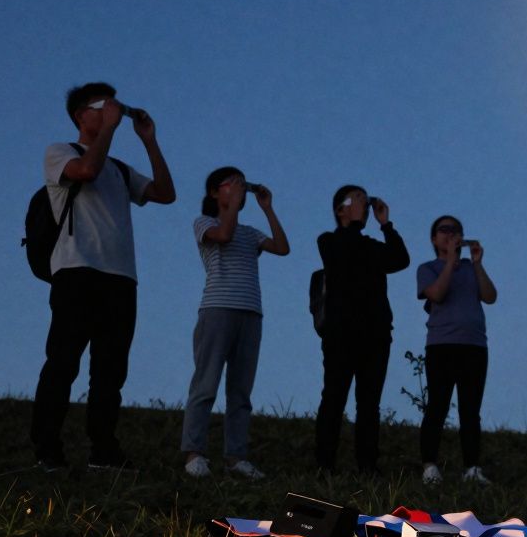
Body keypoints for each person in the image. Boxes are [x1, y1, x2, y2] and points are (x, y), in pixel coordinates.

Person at [31, 82, 176, 472]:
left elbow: (165, 193)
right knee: (63, 361)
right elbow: (87, 171)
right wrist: (111, 129)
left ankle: (103, 449)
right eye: (103, 106)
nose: (111, 111)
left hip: (120, 277)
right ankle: (47, 446)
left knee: (110, 369)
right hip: (76, 271)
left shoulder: (119, 169)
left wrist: (149, 141)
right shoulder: (60, 152)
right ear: (82, 115)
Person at [179, 167, 290, 479]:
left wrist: (267, 208)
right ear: (215, 192)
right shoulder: (206, 223)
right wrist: (231, 205)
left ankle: (236, 456)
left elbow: (282, 247)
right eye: (232, 184)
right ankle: (194, 453)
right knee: (205, 384)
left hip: (250, 314)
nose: (239, 189)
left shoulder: (251, 232)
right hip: (217, 310)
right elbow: (224, 235)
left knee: (241, 392)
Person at [315, 185, 410, 473]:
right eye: (357, 200)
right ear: (340, 208)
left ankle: (367, 466)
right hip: (341, 334)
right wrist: (354, 223)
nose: (364, 206)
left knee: (369, 403)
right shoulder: (330, 241)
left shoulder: (371, 246)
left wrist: (386, 225)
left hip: (376, 335)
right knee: (334, 397)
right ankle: (324, 464)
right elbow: (343, 253)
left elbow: (400, 259)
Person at [416, 215, 498, 485]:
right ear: (433, 238)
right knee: (437, 406)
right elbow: (437, 294)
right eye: (444, 230)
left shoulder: (471, 269)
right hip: (441, 345)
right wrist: (451, 261)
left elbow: (490, 296)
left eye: (456, 230)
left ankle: (472, 468)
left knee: (470, 409)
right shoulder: (428, 268)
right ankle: (429, 466)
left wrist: (477, 263)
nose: (450, 235)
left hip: (474, 345)